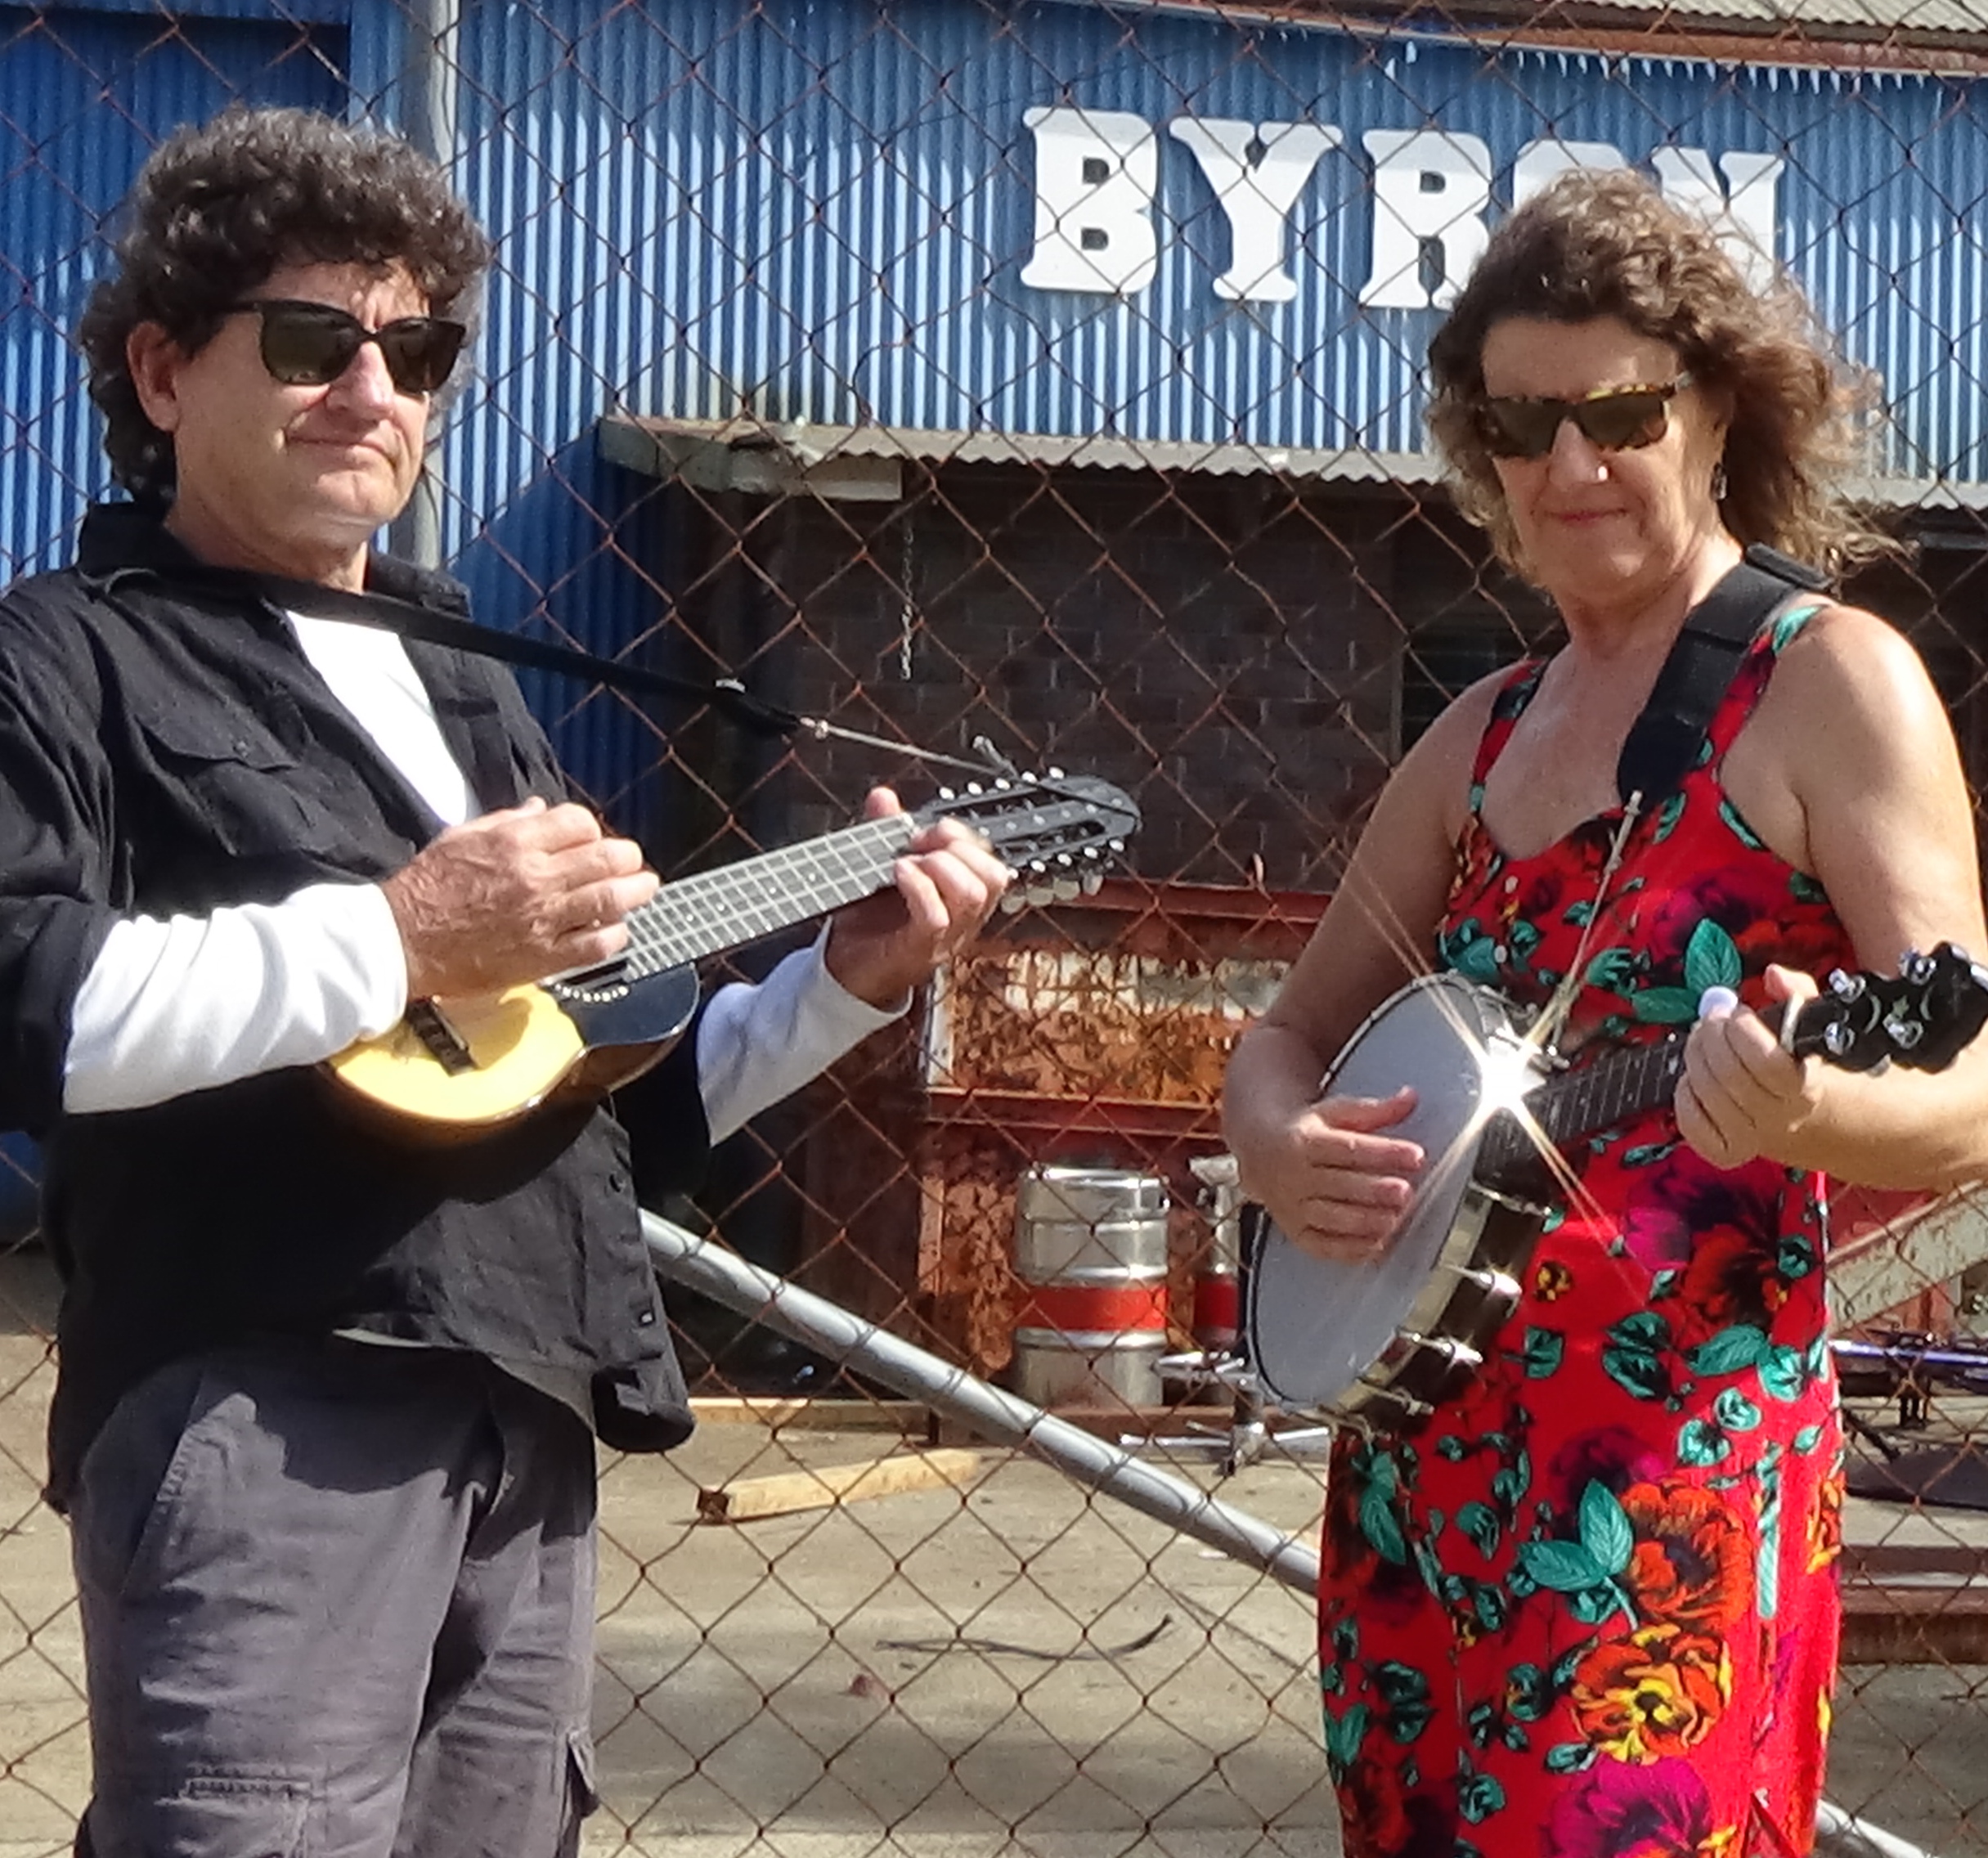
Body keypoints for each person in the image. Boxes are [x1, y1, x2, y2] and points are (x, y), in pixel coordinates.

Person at [0, 105, 1007, 1857]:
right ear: (161, 372)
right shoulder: (65, 653)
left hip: (523, 1411)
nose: (369, 391)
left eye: (415, 353)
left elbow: (592, 1102)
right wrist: (400, 938)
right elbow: (34, 1001)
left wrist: (845, 982)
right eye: (309, 341)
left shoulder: (465, 682)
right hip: (267, 1395)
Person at [1222, 168, 1988, 1858]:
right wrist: (1274, 1142)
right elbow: (1286, 1036)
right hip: (1415, 1481)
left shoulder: (1829, 681)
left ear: (1711, 411)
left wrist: (1811, 1109)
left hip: (1662, 1495)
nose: (1570, 464)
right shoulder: (1479, 733)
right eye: (1522, 425)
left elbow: (1971, 1086)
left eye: (1620, 413)